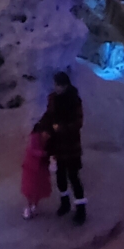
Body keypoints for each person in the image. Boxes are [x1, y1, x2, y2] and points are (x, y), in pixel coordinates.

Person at [45, 70, 86, 224]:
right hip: (58, 144)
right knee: (60, 175)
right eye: (56, 85)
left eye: (59, 85)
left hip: (71, 144)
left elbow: (78, 122)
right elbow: (48, 116)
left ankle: (81, 208)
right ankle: (65, 202)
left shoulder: (74, 100)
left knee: (74, 176)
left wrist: (62, 128)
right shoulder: (53, 99)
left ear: (65, 85)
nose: (56, 88)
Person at [21, 118, 52, 219]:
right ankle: (29, 206)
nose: (47, 136)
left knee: (38, 187)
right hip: (32, 167)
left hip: (40, 167)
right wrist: (43, 154)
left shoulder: (44, 139)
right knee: (31, 188)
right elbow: (31, 150)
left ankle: (34, 205)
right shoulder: (34, 138)